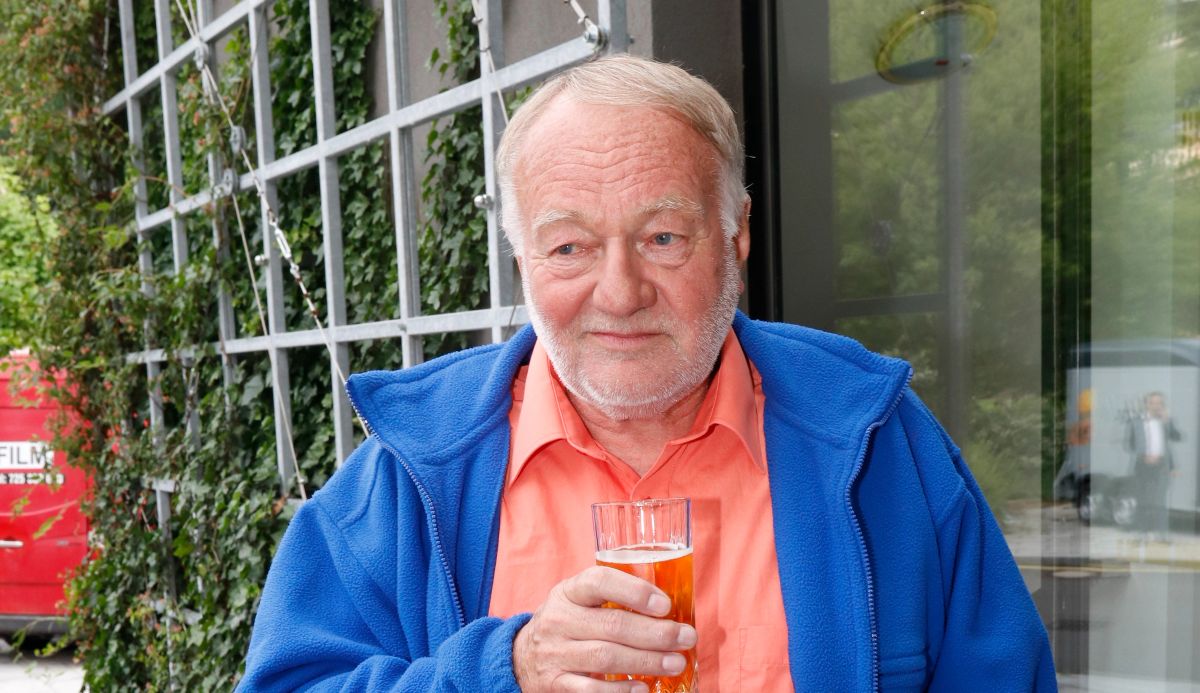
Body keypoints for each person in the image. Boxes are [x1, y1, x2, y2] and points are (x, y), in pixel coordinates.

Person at [238, 55, 1055, 691]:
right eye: (570, 247)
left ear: (736, 235)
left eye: (663, 237)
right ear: (522, 260)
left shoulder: (882, 444)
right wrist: (503, 672)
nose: (620, 292)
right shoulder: (409, 476)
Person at [1125, 391, 1182, 542]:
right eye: (1153, 403)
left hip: (1161, 466)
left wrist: (1167, 422)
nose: (1156, 406)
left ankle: (1161, 534)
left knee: (1160, 501)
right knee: (1143, 500)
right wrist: (1144, 455)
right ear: (1146, 404)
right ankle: (1142, 534)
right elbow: (1130, 444)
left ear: (1162, 405)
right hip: (1142, 466)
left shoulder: (1166, 421)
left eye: (1159, 403)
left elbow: (1176, 437)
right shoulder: (1136, 422)